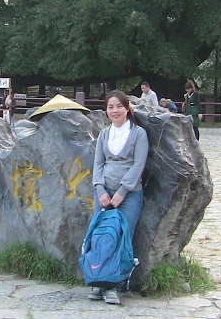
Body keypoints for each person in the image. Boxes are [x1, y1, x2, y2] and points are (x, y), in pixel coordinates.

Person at [89, 90, 148, 305]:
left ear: (127, 108)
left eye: (119, 106)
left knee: (122, 237)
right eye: (110, 107)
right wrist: (100, 190)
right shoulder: (104, 134)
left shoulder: (138, 133)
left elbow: (138, 164)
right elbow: (98, 163)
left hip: (129, 195)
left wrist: (122, 191)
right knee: (101, 237)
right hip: (104, 193)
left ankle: (114, 285)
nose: (115, 111)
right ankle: (98, 281)